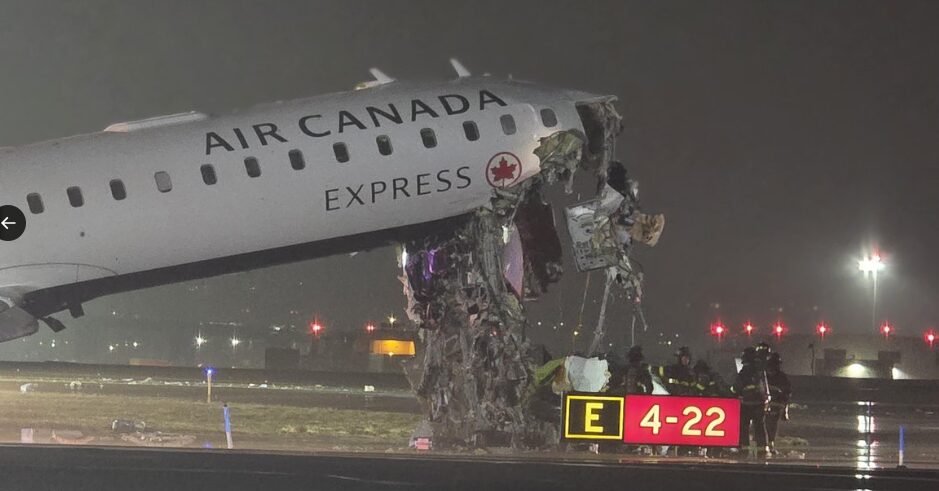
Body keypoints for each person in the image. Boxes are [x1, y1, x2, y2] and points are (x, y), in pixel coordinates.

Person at [733, 347, 770, 458]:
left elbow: (736, 388)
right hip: (759, 404)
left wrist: (733, 394)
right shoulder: (760, 371)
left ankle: (744, 450)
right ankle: (762, 450)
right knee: (759, 426)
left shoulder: (744, 372)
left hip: (746, 404)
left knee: (744, 427)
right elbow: (765, 388)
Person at [764, 352, 792, 455]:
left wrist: (785, 410)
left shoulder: (780, 377)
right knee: (766, 426)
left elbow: (787, 394)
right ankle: (766, 446)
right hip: (765, 406)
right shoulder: (764, 376)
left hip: (774, 406)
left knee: (771, 426)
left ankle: (769, 445)